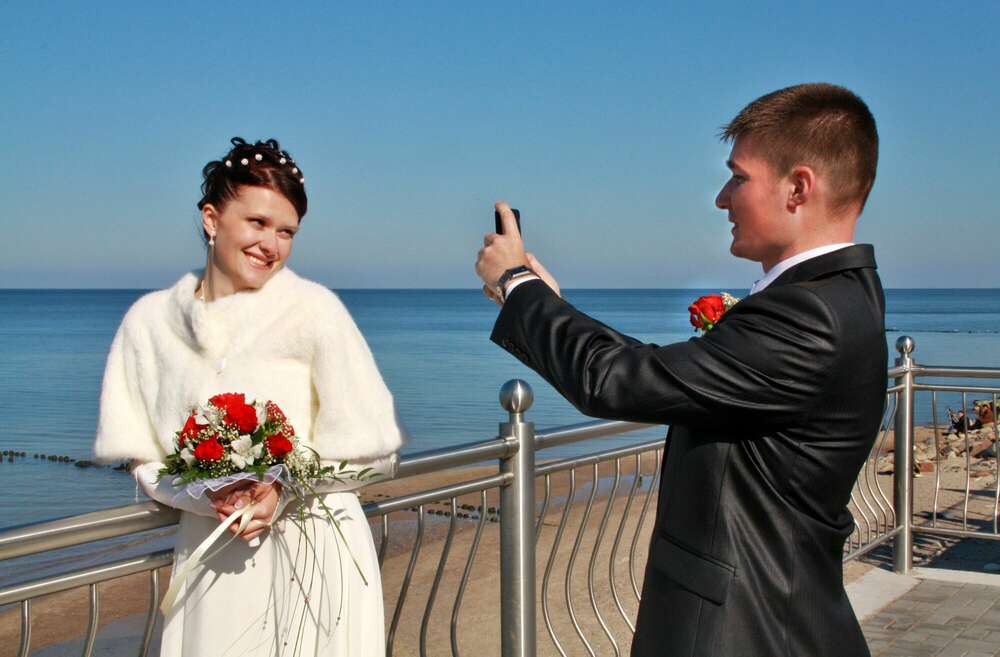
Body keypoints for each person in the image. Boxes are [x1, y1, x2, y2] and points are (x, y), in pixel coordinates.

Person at [476, 83, 885, 657]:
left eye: (738, 177)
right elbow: (665, 373)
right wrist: (549, 304)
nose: (722, 198)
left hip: (746, 631)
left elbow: (617, 381)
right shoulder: (835, 298)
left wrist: (516, 286)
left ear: (798, 187)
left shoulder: (811, 315)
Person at [93, 137, 404, 657]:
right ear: (212, 218)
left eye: (286, 232)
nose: (272, 245)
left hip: (317, 558)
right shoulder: (147, 324)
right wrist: (205, 494)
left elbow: (379, 457)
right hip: (214, 563)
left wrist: (283, 487)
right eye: (258, 223)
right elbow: (143, 461)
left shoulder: (316, 313)